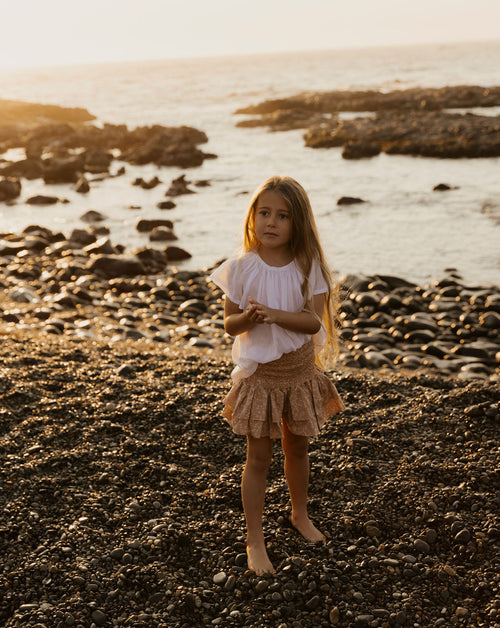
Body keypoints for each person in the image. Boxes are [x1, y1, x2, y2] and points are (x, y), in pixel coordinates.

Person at [209, 175, 344, 575]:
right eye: (264, 212)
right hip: (261, 377)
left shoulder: (309, 265)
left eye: (282, 215)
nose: (271, 222)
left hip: (299, 371)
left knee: (298, 447)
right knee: (259, 457)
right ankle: (255, 539)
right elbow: (229, 325)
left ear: (297, 222)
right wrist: (247, 316)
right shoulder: (240, 267)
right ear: (253, 217)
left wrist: (272, 313)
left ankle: (298, 514)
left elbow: (311, 322)